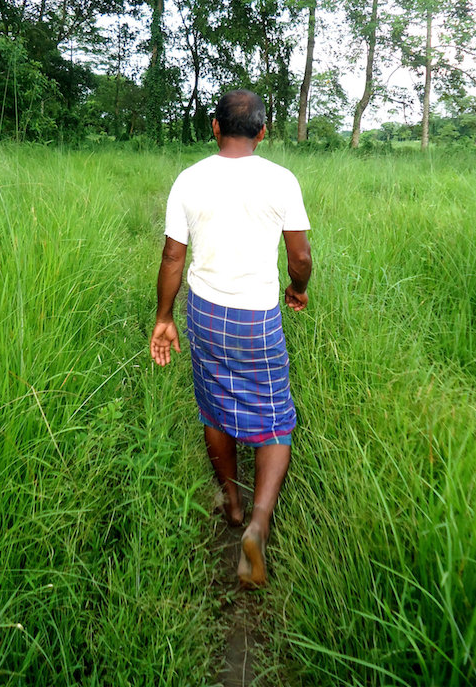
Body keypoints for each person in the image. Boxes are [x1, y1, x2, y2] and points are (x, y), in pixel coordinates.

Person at [149, 89, 312, 588]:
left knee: (214, 401)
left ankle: (233, 504)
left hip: (204, 309)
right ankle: (259, 522)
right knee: (274, 413)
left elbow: (173, 258)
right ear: (263, 132)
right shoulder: (281, 180)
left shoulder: (189, 179)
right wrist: (298, 288)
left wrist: (164, 316)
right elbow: (300, 257)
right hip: (258, 314)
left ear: (215, 127)